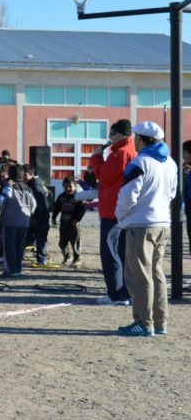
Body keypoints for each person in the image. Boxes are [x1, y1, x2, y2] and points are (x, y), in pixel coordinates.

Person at [115, 121, 177, 336]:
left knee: (139, 276)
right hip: (162, 223)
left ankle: (143, 322)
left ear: (140, 139)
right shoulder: (170, 162)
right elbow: (172, 194)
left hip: (140, 224)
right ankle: (160, 321)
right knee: (157, 273)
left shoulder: (139, 162)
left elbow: (127, 196)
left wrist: (120, 216)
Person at [90, 119, 136, 305]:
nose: (110, 138)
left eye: (112, 134)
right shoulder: (130, 150)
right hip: (124, 211)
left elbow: (106, 177)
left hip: (112, 210)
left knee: (110, 252)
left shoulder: (121, 153)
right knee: (123, 253)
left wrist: (96, 158)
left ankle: (116, 294)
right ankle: (124, 291)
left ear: (122, 135)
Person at [0, 164, 37, 277]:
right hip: (24, 221)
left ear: (10, 175)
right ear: (22, 175)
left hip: (9, 221)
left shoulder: (7, 186)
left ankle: (11, 270)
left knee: (9, 246)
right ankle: (18, 268)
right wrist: (29, 214)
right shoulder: (28, 188)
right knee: (20, 246)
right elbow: (33, 205)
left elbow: (1, 202)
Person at [51, 177, 86, 266]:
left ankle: (77, 259)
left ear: (75, 186)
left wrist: (77, 219)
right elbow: (56, 208)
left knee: (75, 242)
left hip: (74, 224)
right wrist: (54, 218)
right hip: (64, 223)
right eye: (66, 187)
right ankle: (67, 257)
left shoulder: (78, 197)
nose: (68, 189)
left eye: (70, 186)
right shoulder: (61, 197)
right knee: (62, 242)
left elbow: (82, 209)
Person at [24, 164, 51, 265]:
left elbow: (41, 204)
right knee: (31, 238)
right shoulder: (32, 184)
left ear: (27, 174)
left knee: (40, 238)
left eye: (23, 175)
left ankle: (42, 259)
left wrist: (35, 217)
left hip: (40, 217)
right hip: (35, 216)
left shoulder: (36, 186)